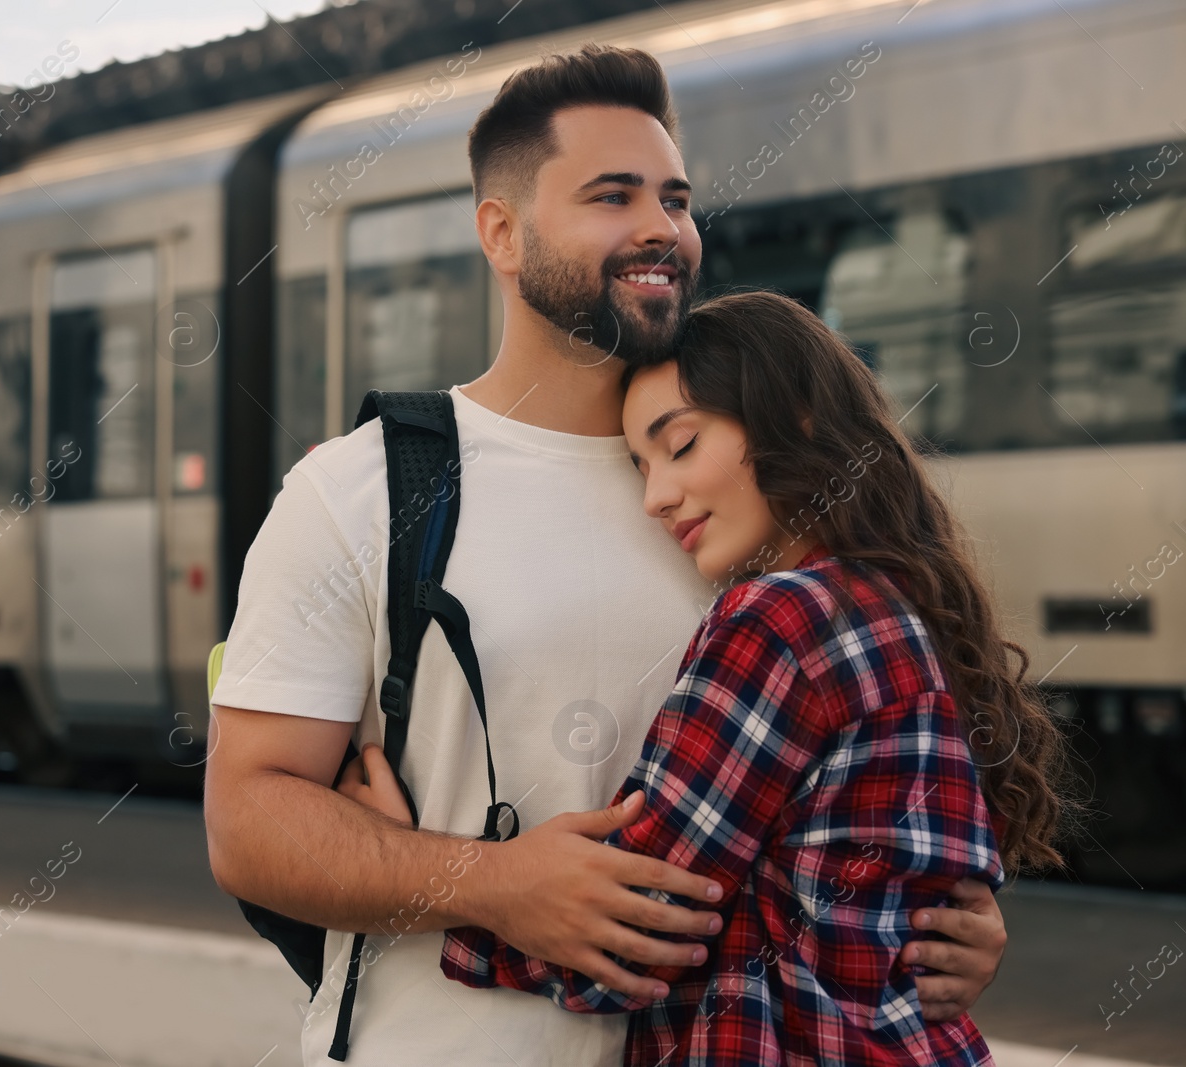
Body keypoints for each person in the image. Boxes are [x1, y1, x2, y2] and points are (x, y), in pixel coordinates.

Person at [204, 45, 1009, 1067]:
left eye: (674, 198)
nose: (659, 228)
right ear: (500, 230)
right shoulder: (357, 490)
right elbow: (246, 820)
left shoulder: (745, 498)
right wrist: (485, 880)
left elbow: (864, 783)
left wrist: (922, 921)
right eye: (610, 194)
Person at [348, 290, 1069, 1064]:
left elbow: (642, 928)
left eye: (681, 445)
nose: (656, 496)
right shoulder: (903, 608)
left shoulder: (784, 621)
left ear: (791, 417)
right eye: (641, 466)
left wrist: (421, 883)